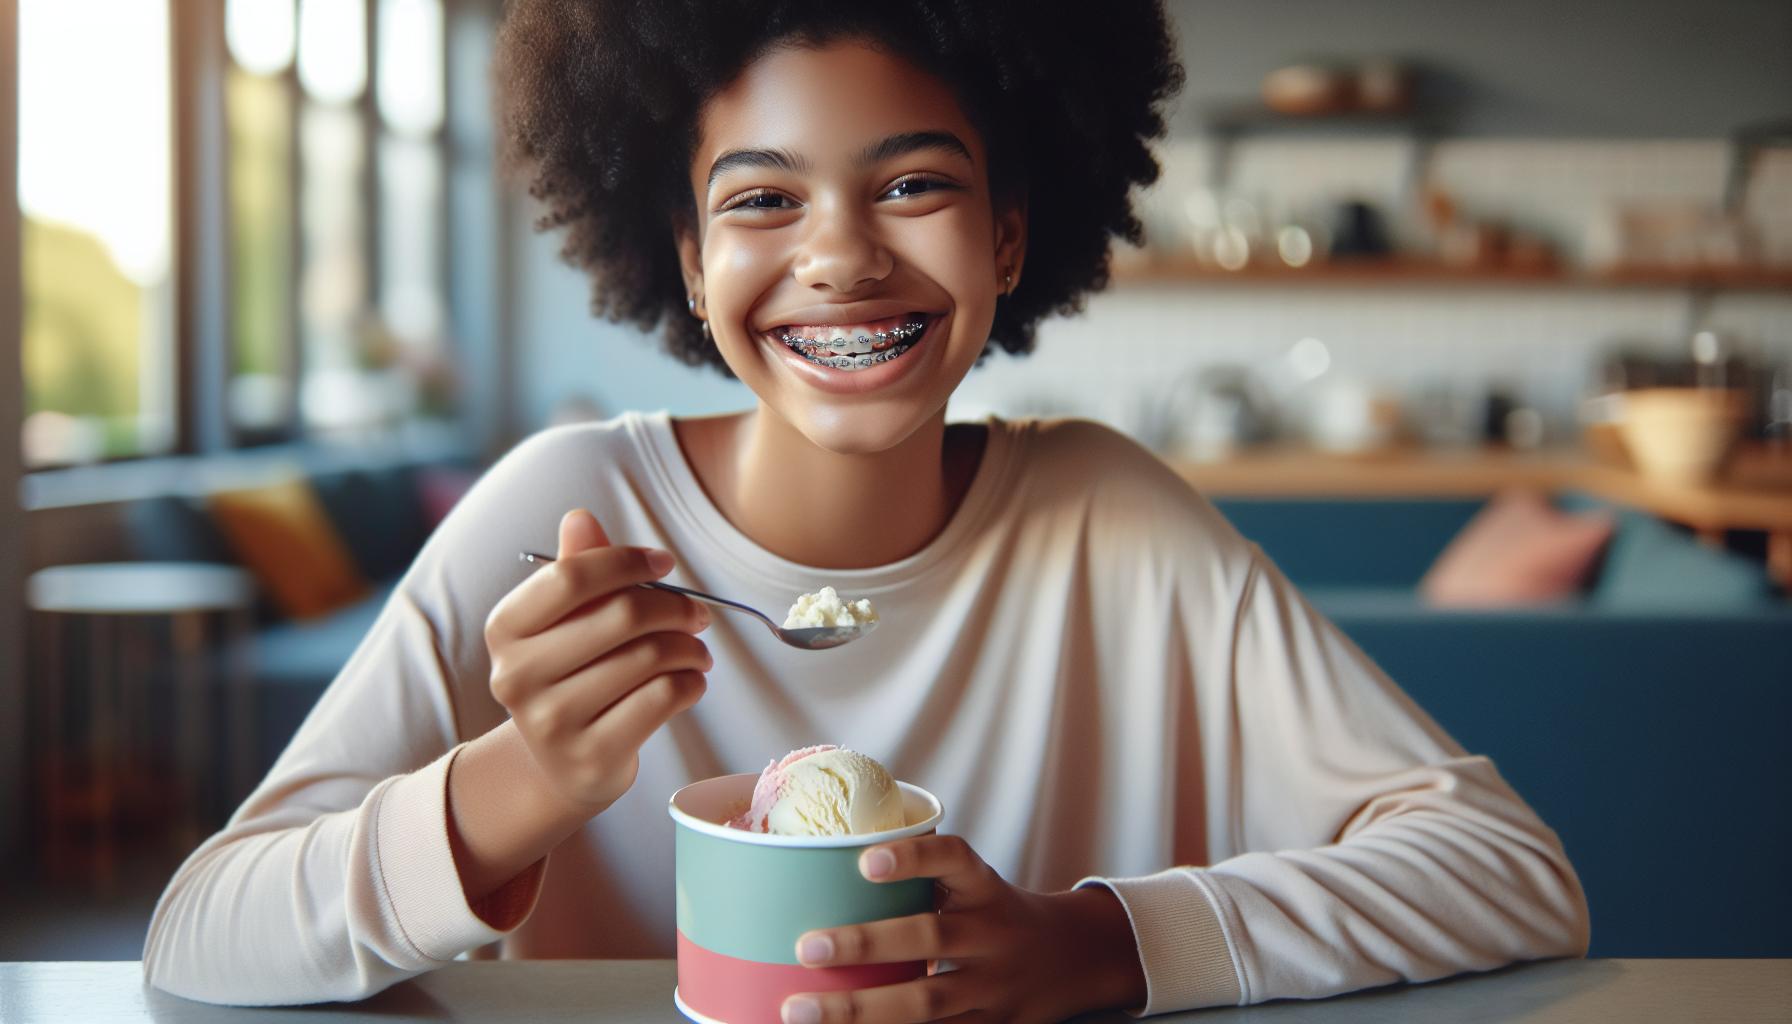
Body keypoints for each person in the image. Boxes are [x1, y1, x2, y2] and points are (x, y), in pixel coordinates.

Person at [143, 1, 1590, 1018]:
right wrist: (527, 785)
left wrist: (1096, 945)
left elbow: (1511, 874)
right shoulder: (565, 508)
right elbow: (201, 935)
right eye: (763, 202)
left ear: (1010, 235)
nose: (841, 257)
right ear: (691, 263)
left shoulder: (1113, 520)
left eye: (912, 184)